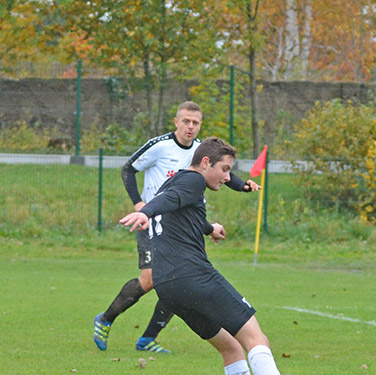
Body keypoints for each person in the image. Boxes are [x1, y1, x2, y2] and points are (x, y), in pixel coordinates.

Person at [119, 137, 317, 375]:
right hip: (193, 274)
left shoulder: (176, 183)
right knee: (254, 336)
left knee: (230, 347)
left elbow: (178, 210)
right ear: (206, 163)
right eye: (224, 169)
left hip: (168, 287)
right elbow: (169, 203)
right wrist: (145, 212)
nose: (227, 177)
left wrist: (209, 228)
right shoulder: (193, 180)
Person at [93, 101, 259, 353]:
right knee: (152, 280)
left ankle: (147, 338)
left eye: (195, 122)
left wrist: (242, 186)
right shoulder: (160, 146)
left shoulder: (200, 152)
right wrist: (139, 204)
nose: (191, 127)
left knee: (179, 279)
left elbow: (224, 174)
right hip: (152, 221)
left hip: (181, 225)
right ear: (176, 122)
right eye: (186, 121)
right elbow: (128, 169)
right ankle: (106, 318)